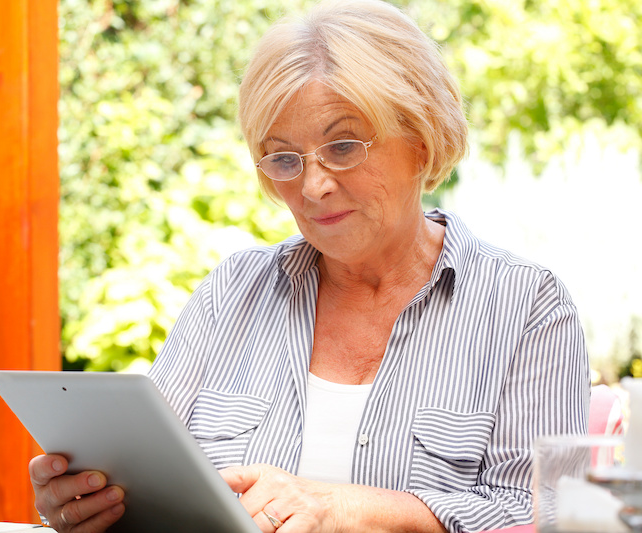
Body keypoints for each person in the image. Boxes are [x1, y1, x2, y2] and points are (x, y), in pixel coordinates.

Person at [29, 0, 590, 531]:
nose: (313, 186)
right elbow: (148, 476)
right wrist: (89, 502)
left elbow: (550, 517)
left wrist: (345, 509)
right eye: (283, 158)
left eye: (343, 146)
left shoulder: (527, 306)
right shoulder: (232, 292)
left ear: (421, 140)